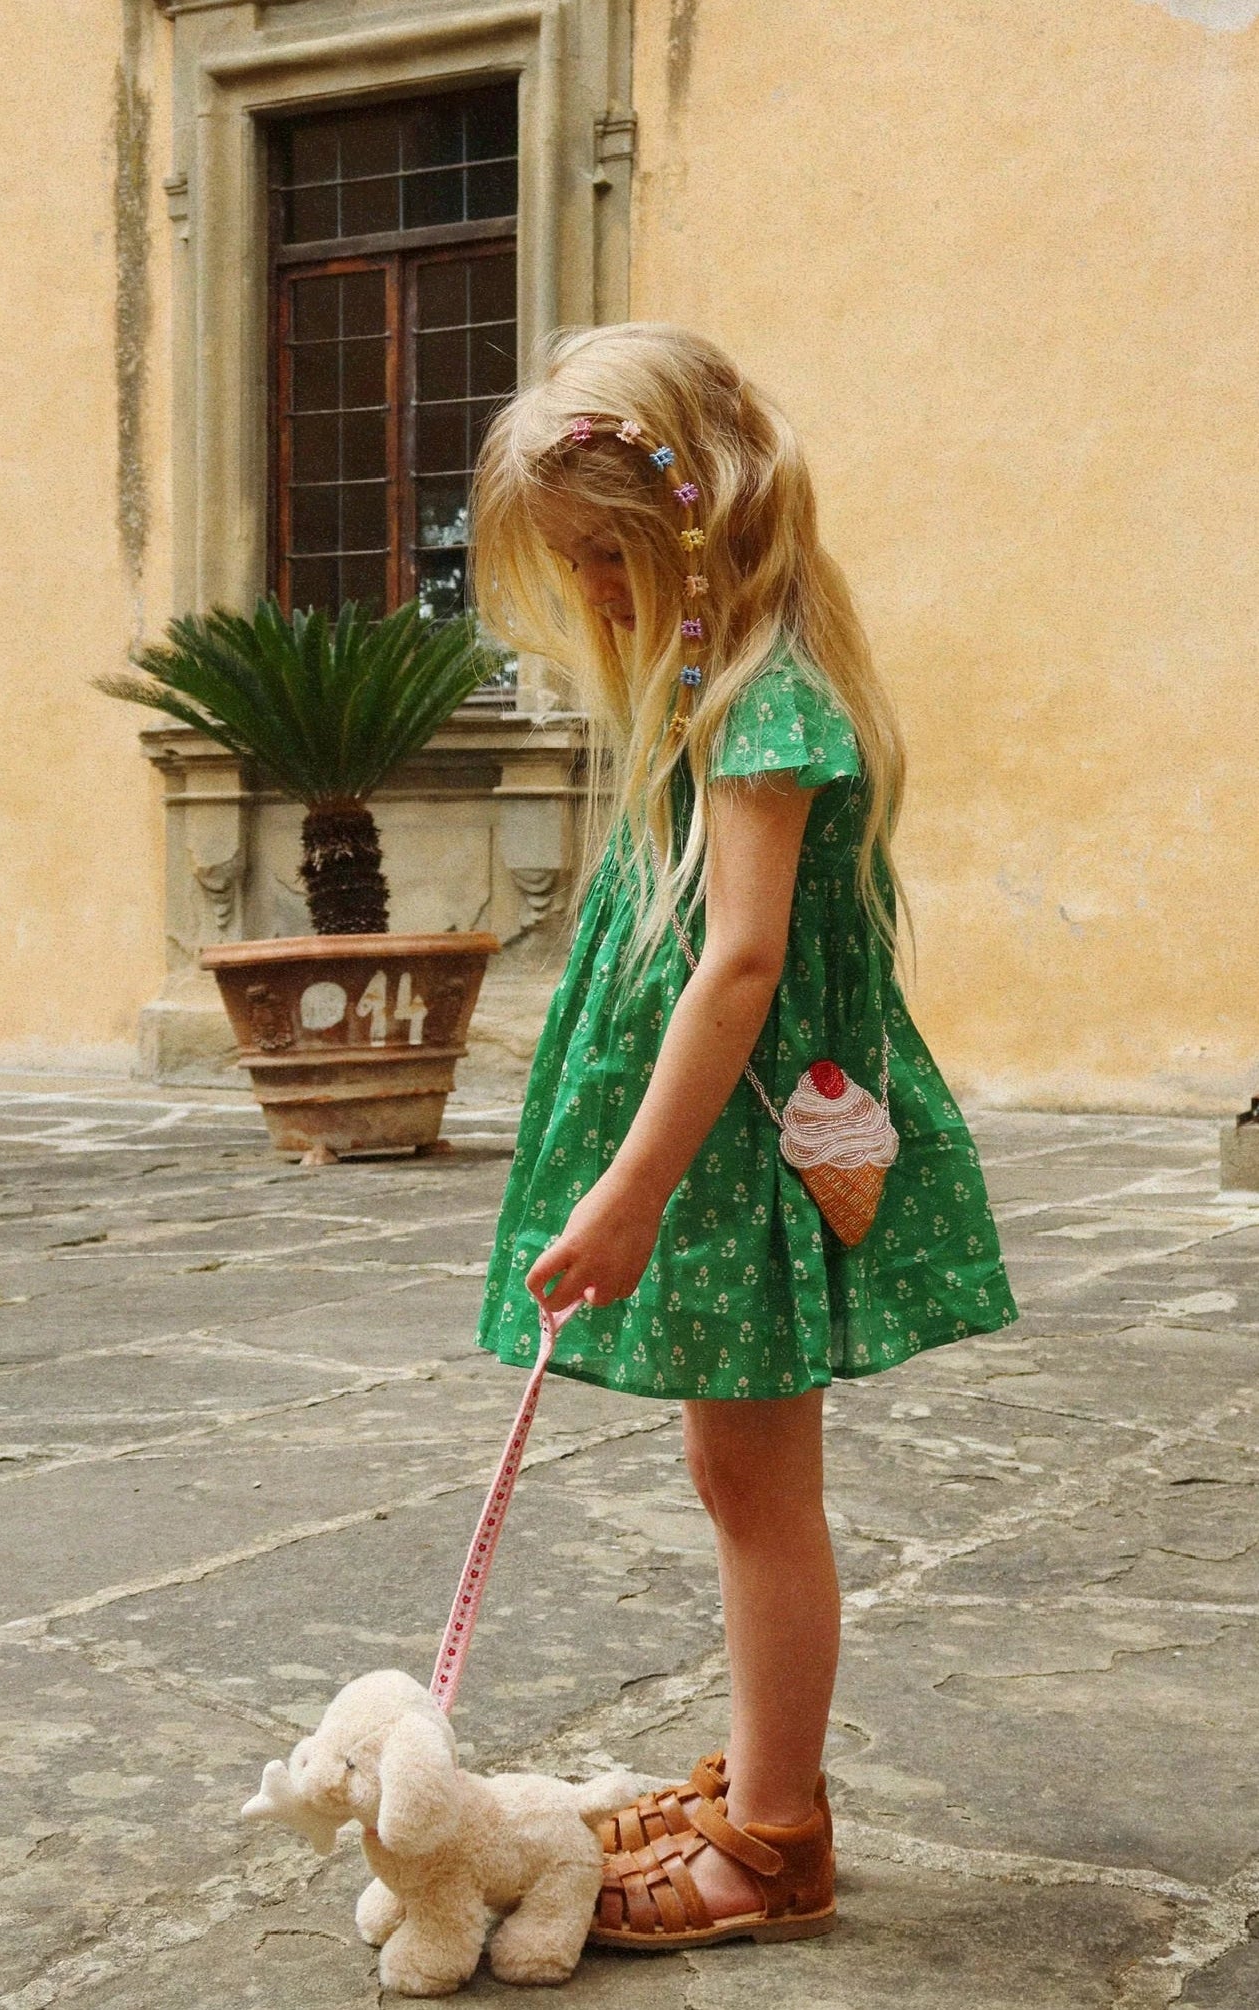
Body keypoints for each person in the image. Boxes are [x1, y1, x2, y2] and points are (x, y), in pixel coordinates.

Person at [469, 323, 1018, 1951]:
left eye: (611, 557)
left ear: (696, 526)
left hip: (733, 1165)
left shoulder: (762, 707)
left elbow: (744, 964)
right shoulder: (725, 687)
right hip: (731, 1159)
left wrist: (630, 1189)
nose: (597, 595)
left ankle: (775, 1839)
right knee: (737, 1474)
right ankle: (765, 1782)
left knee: (760, 1486)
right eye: (576, 564)